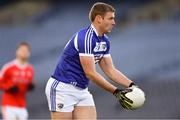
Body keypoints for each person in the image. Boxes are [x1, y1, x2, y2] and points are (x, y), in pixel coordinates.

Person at [45, 2, 137, 120]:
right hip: (62, 88)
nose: (114, 22)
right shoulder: (86, 38)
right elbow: (90, 73)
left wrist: (132, 85)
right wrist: (116, 91)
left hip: (82, 90)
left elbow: (110, 70)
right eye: (111, 18)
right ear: (99, 19)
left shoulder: (105, 41)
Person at [0, 42, 35, 120]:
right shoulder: (8, 67)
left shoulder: (30, 69)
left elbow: (26, 84)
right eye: (22, 50)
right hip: (9, 105)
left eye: (26, 51)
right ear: (17, 52)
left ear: (29, 53)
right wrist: (8, 88)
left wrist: (30, 86)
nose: (24, 52)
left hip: (22, 105)